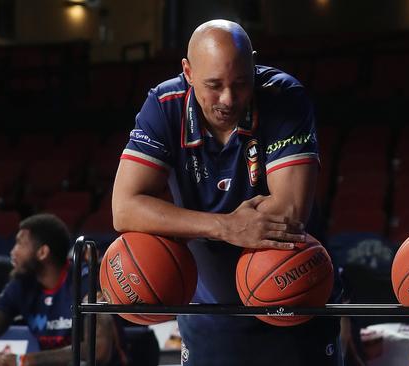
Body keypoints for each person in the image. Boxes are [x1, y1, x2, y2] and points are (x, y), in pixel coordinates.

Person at [112, 19, 342, 365]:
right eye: (213, 85)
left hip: (292, 298)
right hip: (209, 311)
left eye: (240, 83)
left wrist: (182, 221)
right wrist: (224, 226)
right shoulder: (163, 104)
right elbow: (125, 209)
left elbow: (288, 214)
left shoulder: (283, 95)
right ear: (187, 72)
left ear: (253, 62)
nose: (228, 98)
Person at [0, 213, 127, 366]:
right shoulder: (21, 284)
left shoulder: (86, 281)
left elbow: (98, 350)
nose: (13, 252)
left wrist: (27, 359)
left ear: (42, 252)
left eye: (20, 244)